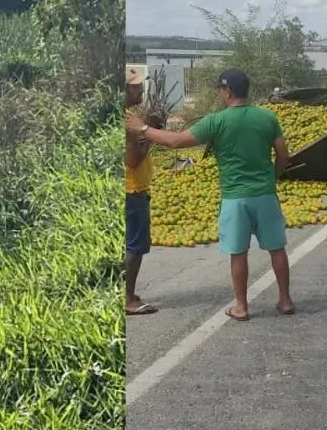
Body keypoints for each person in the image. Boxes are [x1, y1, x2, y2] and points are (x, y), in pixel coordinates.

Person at [125, 68, 293, 321]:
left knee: (238, 253)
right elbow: (283, 154)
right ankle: (285, 300)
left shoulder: (217, 121)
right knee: (276, 248)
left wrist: (144, 128)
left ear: (228, 91)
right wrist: (272, 178)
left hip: (236, 198)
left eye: (221, 90)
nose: (219, 94)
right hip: (265, 194)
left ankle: (241, 306)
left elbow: (176, 142)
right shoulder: (268, 117)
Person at [125, 68, 158, 315]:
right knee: (134, 246)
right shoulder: (128, 123)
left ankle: (127, 292)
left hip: (131, 189)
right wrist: (150, 135)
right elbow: (133, 160)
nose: (140, 90)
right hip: (133, 190)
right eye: (135, 86)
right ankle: (128, 300)